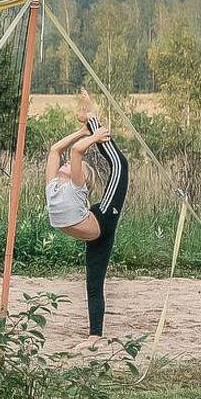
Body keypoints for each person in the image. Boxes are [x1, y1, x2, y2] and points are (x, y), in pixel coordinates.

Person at [43, 94, 129, 337]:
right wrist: (82, 132)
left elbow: (77, 153)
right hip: (92, 235)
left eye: (70, 166)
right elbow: (55, 149)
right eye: (67, 165)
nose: (66, 165)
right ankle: (95, 336)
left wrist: (95, 136)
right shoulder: (53, 185)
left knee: (120, 165)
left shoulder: (77, 184)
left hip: (103, 219)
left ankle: (94, 118)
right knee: (93, 287)